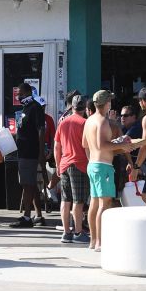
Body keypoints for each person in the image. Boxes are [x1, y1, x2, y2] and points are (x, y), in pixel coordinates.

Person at [81, 90, 137, 252]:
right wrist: (122, 145)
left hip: (93, 164)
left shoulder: (89, 120)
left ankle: (93, 241)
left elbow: (86, 144)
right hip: (103, 166)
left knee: (94, 202)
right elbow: (102, 145)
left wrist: (115, 143)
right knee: (104, 204)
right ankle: (100, 242)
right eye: (110, 101)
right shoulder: (102, 122)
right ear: (107, 104)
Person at [53, 94, 91, 243]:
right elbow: (88, 146)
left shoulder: (63, 122)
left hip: (64, 164)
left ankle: (66, 232)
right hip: (79, 164)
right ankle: (78, 232)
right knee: (78, 200)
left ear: (72, 107)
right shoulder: (84, 123)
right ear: (85, 108)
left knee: (66, 199)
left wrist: (58, 164)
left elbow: (57, 146)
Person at [10, 84, 47, 228]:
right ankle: (38, 215)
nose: (17, 96)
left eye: (19, 93)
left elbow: (41, 130)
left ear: (26, 92)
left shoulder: (35, 107)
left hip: (30, 152)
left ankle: (26, 216)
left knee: (27, 184)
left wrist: (41, 153)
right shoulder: (25, 108)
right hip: (23, 151)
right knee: (30, 183)